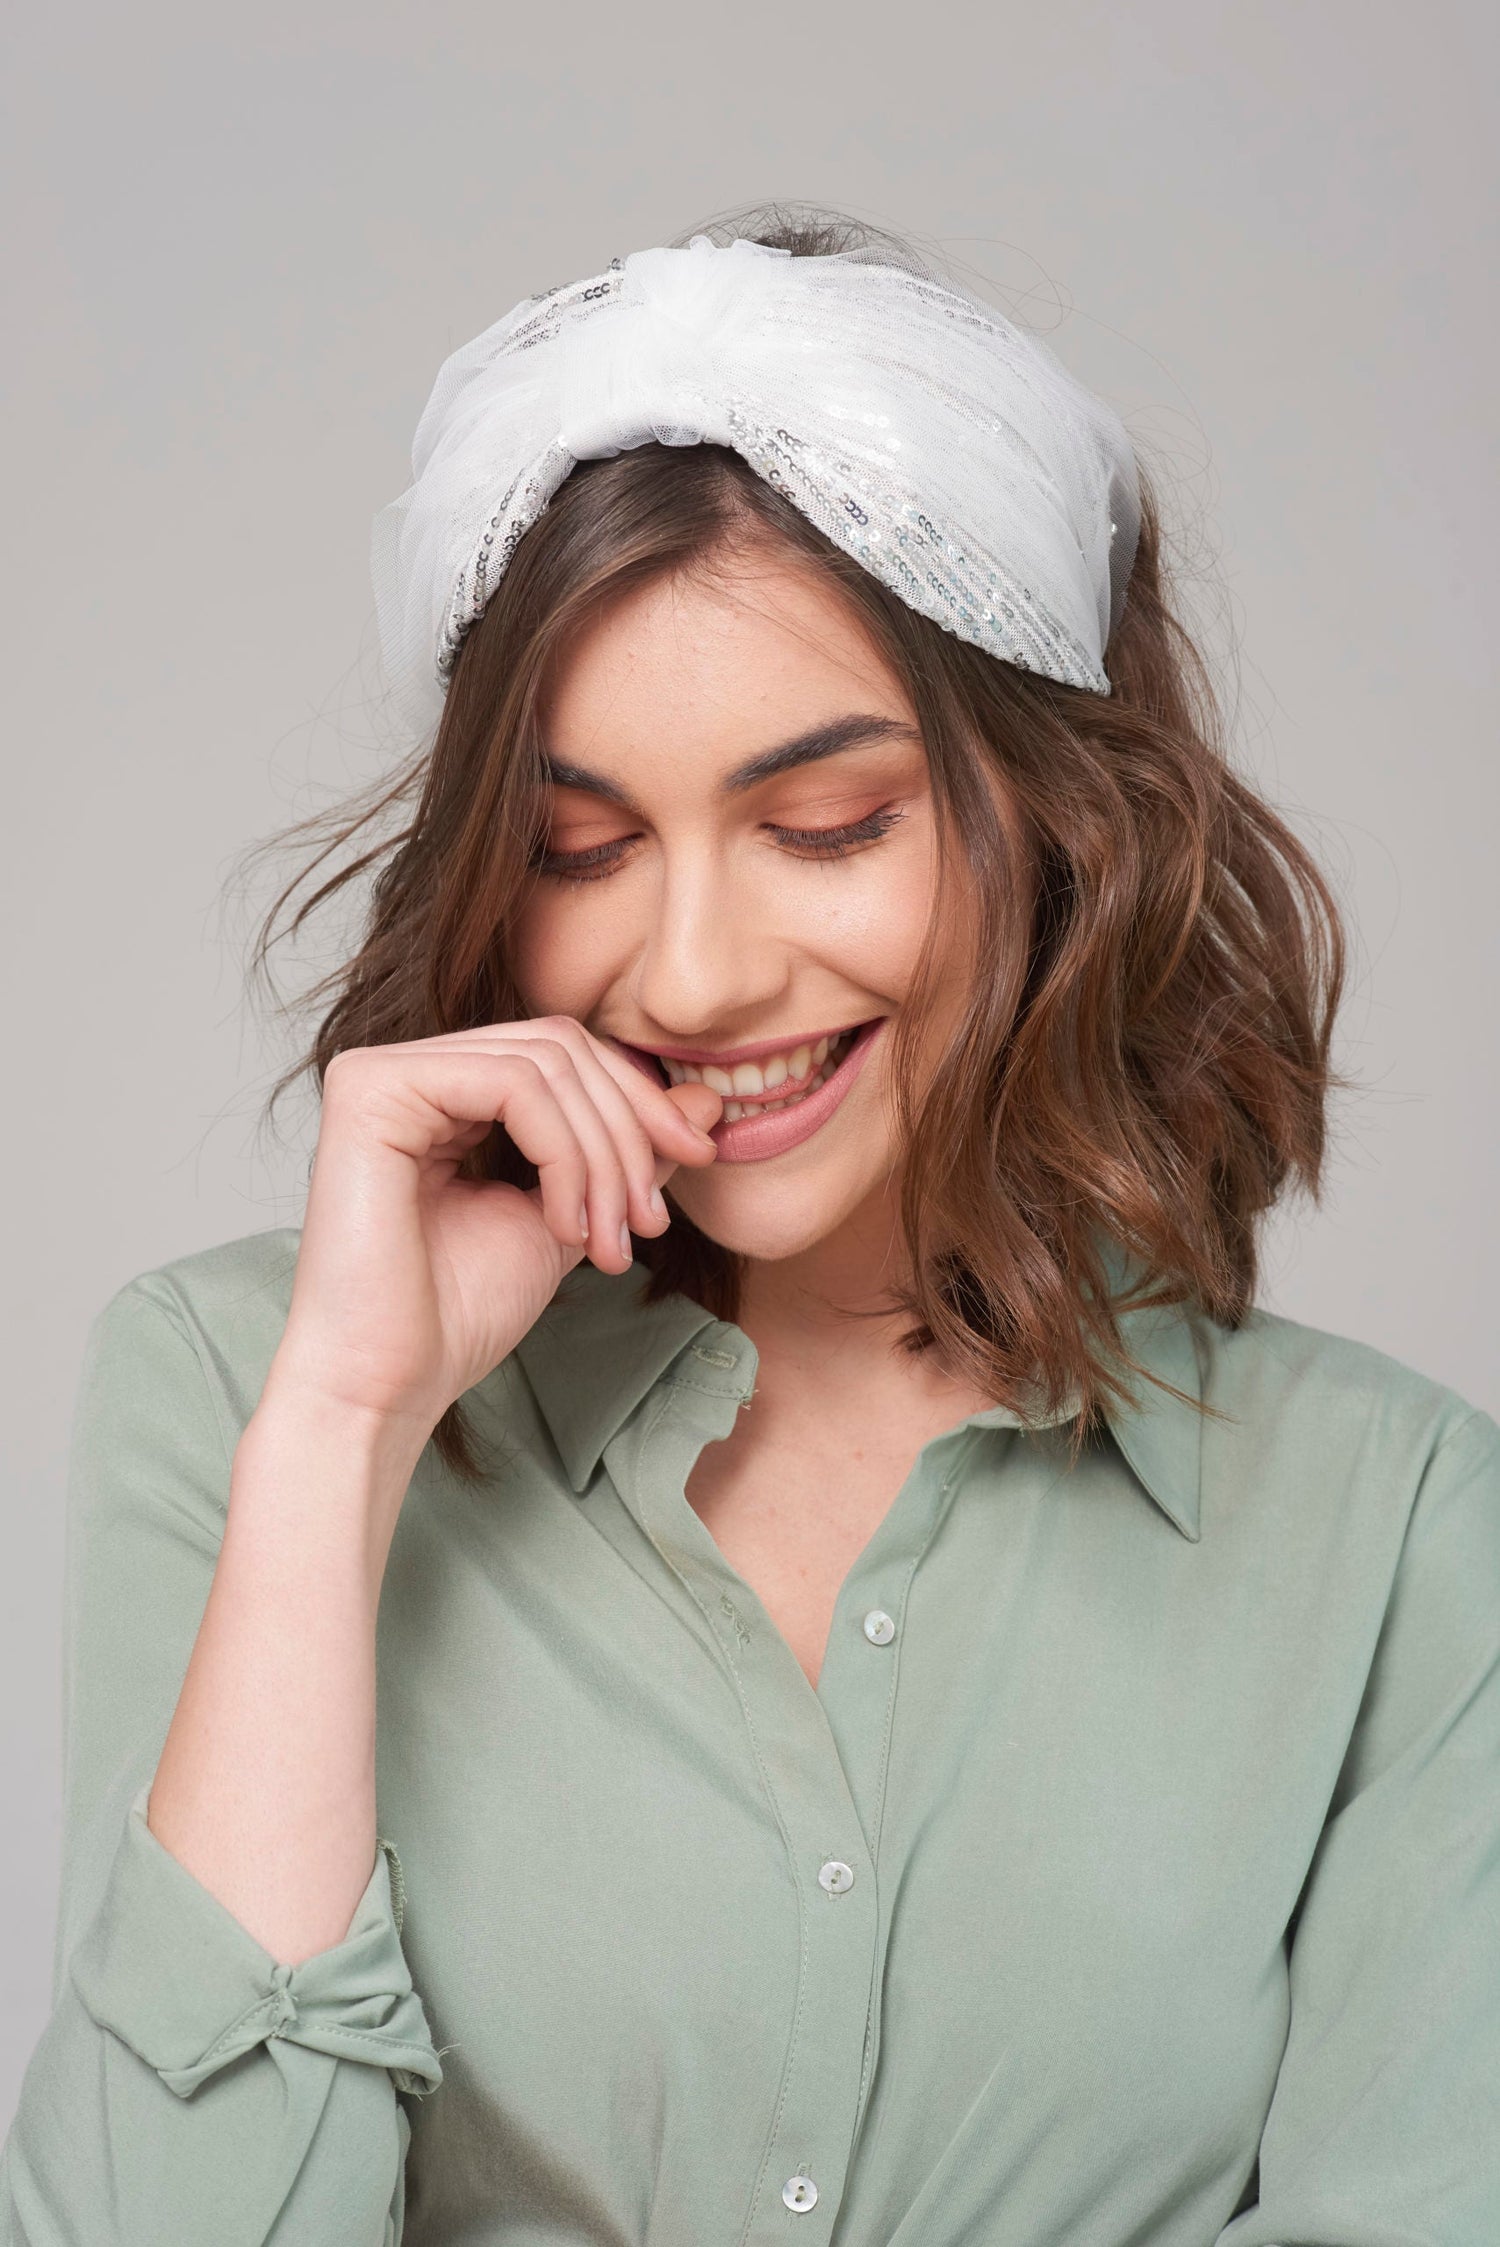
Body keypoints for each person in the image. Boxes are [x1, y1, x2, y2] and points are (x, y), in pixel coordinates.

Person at [3, 203, 1496, 2247]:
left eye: (827, 825)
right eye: (579, 846)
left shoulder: (1398, 1529)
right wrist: (345, 1427)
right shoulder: (231, 1402)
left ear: (1060, 823)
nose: (689, 973)